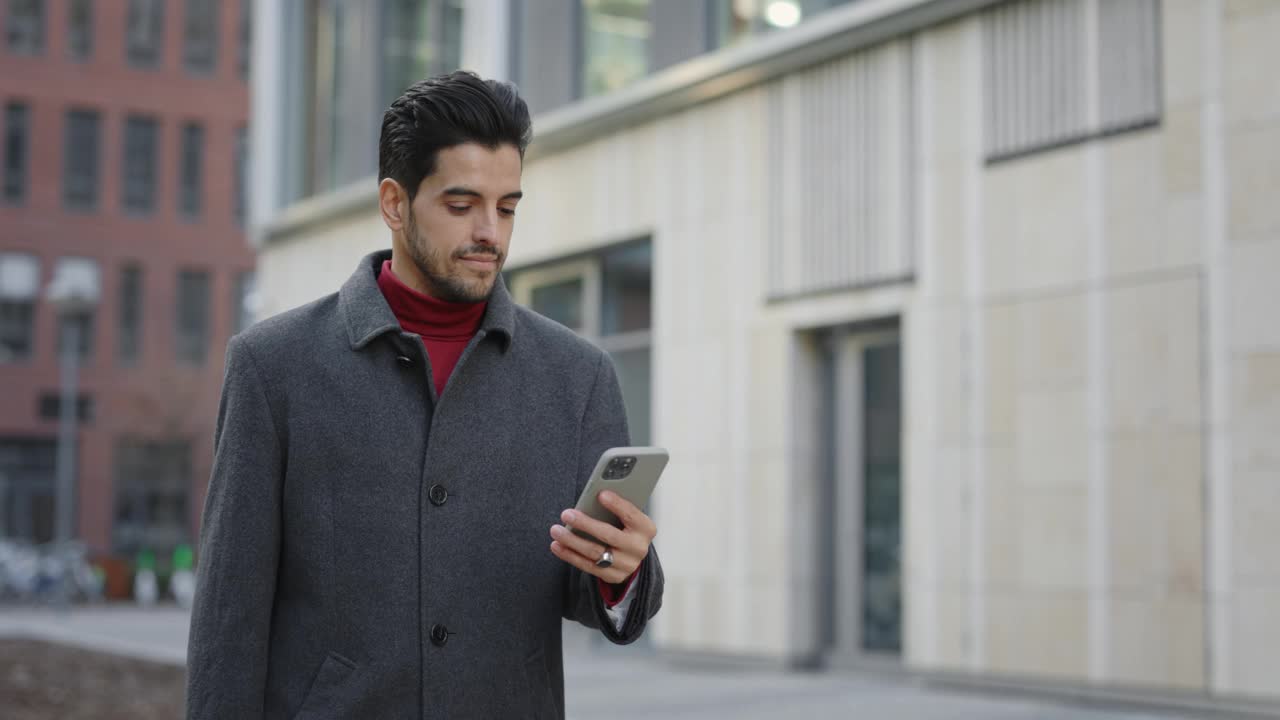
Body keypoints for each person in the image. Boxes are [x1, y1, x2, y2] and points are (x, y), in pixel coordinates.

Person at [185, 71, 663, 719]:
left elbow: (595, 598)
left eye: (508, 206)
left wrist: (621, 570)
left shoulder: (578, 376)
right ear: (394, 203)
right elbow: (228, 617)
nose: (490, 232)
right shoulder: (274, 367)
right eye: (462, 206)